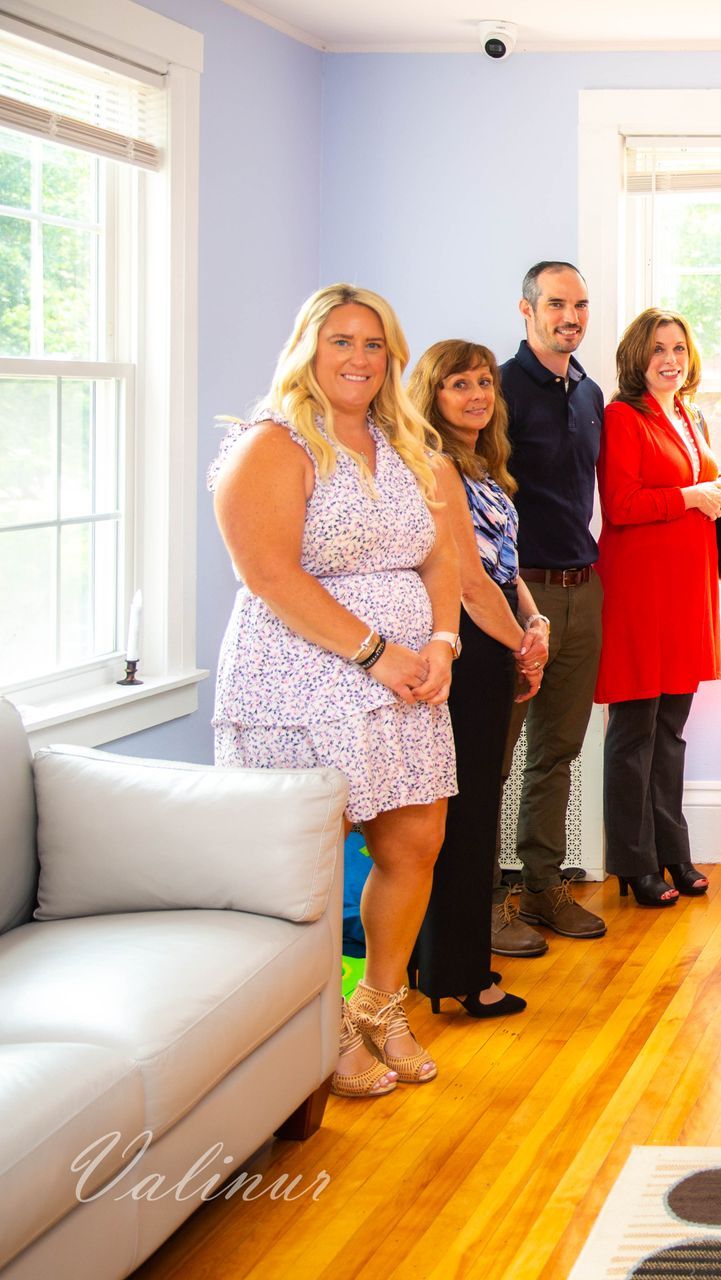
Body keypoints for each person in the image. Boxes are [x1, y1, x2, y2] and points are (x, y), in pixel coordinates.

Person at [209, 284, 458, 1097]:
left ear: (392, 358)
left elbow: (441, 556)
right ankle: (316, 1031)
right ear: (309, 349)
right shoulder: (274, 445)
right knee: (309, 866)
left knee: (414, 843)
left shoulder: (408, 442)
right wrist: (376, 650)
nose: (358, 358)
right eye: (341, 341)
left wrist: (443, 644)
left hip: (408, 680)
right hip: (301, 680)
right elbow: (268, 572)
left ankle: (376, 1008)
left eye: (374, 343)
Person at [404, 340, 549, 1017]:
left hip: (496, 639)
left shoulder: (479, 465)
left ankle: (441, 964)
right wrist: (520, 644)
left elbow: (501, 564)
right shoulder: (435, 466)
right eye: (458, 384)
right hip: (467, 652)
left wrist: (533, 618)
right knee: (464, 817)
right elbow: (464, 583)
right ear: (429, 395)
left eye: (484, 382)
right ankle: (460, 976)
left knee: (471, 810)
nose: (476, 395)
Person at [597, 308, 721, 907]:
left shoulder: (688, 413)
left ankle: (672, 850)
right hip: (638, 592)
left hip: (686, 592)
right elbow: (622, 504)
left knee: (671, 731)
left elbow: (705, 476)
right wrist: (692, 496)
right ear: (637, 356)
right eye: (657, 348)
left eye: (679, 347)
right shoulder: (621, 416)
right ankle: (635, 860)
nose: (670, 359)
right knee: (634, 734)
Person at [497, 261, 607, 946]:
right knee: (494, 755)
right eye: (557, 304)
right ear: (527, 309)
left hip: (581, 587)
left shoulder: (590, 391)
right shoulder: (497, 389)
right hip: (515, 593)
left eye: (581, 305)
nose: (571, 316)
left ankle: (541, 889)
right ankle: (478, 902)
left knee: (557, 752)